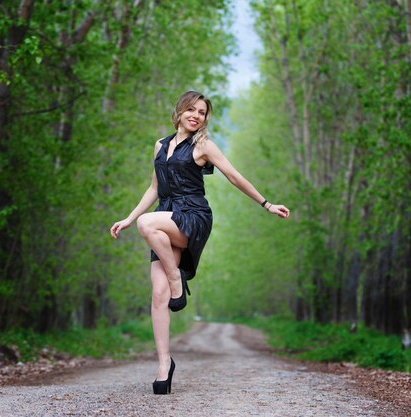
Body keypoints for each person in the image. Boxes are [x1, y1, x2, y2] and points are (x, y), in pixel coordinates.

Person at [109, 91, 290, 394]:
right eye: (191, 110)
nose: (196, 115)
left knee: (147, 224)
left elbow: (233, 176)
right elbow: (154, 188)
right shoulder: (161, 145)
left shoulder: (203, 145)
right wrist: (127, 218)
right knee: (157, 295)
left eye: (202, 112)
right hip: (164, 220)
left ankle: (177, 280)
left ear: (205, 119)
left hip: (192, 216)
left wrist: (267, 204)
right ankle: (164, 366)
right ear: (179, 112)